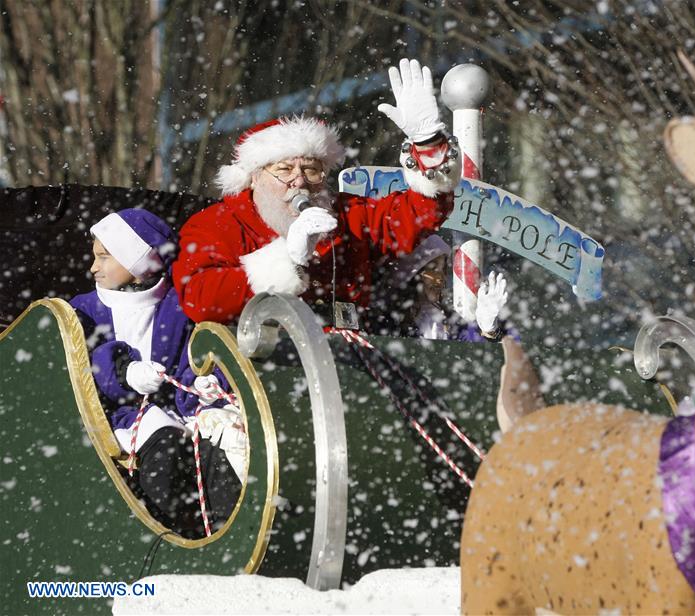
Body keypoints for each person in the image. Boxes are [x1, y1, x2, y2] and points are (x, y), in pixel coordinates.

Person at [172, 58, 462, 327]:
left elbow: (417, 215)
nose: (299, 181)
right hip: (265, 362)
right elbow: (199, 299)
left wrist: (428, 145)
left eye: (311, 170)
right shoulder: (217, 223)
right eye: (284, 170)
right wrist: (287, 258)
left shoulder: (346, 214)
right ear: (254, 177)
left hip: (350, 356)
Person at [69, 208, 243, 537]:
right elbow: (86, 355)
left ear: (138, 265)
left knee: (215, 449)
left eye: (105, 258)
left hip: (180, 410)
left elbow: (194, 353)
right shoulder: (86, 309)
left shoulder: (177, 303)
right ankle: (167, 532)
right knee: (164, 450)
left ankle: (226, 530)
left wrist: (206, 383)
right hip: (125, 417)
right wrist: (123, 373)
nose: (93, 267)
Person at [370, 234, 511, 342]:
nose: (441, 277)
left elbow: (475, 353)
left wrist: (489, 329)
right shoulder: (389, 321)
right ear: (413, 274)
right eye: (433, 268)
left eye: (443, 269)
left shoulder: (447, 320)